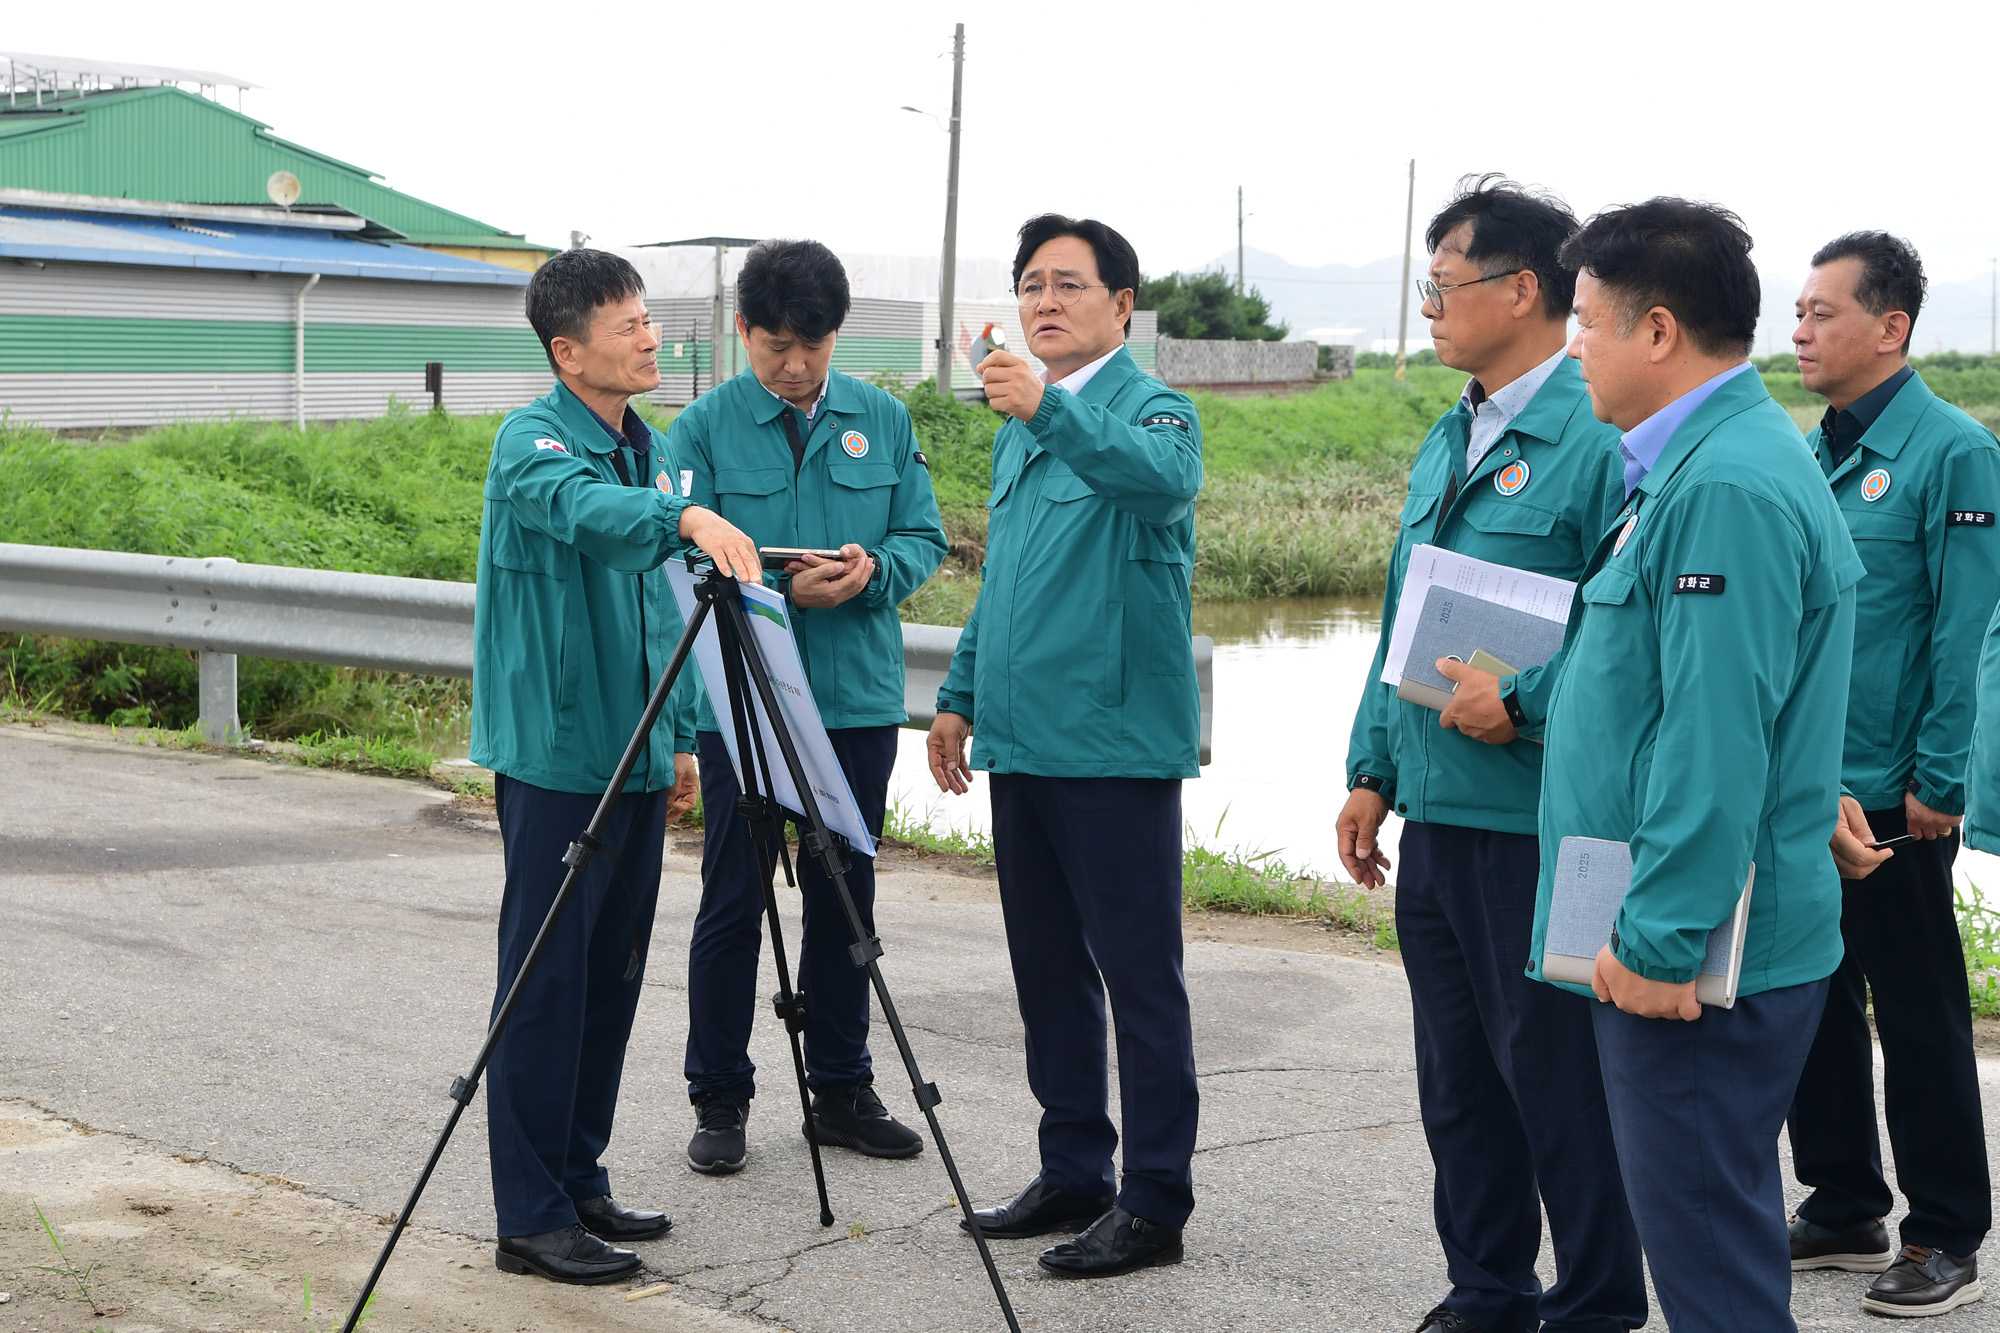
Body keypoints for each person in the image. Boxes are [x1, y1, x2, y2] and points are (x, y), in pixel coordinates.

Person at [1527, 199, 1863, 1332]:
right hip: (1672, 921)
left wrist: (1659, 936)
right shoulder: (1696, 466)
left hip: (1693, 957)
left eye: (1583, 320)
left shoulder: (1721, 485)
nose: (1571, 344)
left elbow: (1712, 739)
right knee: (1706, 1243)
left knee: (1711, 1270)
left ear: (1656, 329)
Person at [1337, 176, 1643, 1333]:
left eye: (1442, 283)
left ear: (1523, 290)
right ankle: (1486, 1291)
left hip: (1540, 820)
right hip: (1438, 812)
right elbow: (1396, 619)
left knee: (1556, 1084)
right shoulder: (1446, 428)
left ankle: (1598, 1301)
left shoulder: (1600, 440)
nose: (1427, 306)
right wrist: (1371, 767)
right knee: (1457, 1083)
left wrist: (1519, 699)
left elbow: (1628, 634)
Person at [471, 249, 759, 1283]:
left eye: (647, 320)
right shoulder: (533, 441)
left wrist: (681, 732)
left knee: (611, 981)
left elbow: (658, 605)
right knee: (545, 982)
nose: (650, 337)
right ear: (567, 349)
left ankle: (579, 1179)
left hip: (636, 751)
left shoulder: (646, 446)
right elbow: (598, 526)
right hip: (559, 756)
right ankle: (531, 1215)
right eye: (629, 324)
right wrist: (681, 515)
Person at [927, 214, 1202, 1279]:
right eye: (1031, 285)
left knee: (1137, 978)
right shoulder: (1017, 426)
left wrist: (1046, 407)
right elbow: (1007, 578)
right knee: (1045, 969)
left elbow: (1157, 484)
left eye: (1069, 286)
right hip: (1023, 741)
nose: (1044, 303)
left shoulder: (1152, 411)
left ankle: (1155, 1198)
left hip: (1113, 746)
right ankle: (1074, 1168)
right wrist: (956, 694)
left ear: (1121, 306)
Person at [667, 239, 947, 1175]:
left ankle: (841, 1087)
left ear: (839, 335)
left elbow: (922, 536)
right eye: (776, 344)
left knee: (844, 894)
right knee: (732, 898)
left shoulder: (885, 418)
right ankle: (719, 1094)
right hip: (740, 695)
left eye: (814, 345)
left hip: (856, 700)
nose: (794, 364)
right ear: (743, 331)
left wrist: (870, 575)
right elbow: (677, 559)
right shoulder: (700, 431)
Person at [1782, 232, 1996, 1317]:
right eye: (1798, 309)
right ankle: (1840, 1200)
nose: (1798, 329)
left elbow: (1961, 631)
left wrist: (1936, 779)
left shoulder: (1951, 450)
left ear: (1890, 326)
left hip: (1893, 792)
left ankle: (1946, 1231)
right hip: (1806, 785)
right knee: (1809, 998)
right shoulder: (1807, 449)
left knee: (1914, 1014)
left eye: (1820, 311)